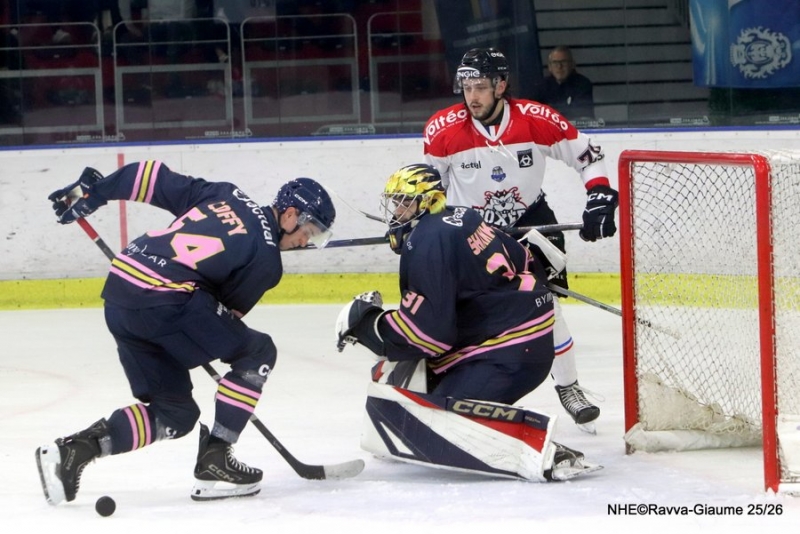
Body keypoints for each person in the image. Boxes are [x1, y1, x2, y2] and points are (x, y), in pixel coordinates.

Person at [36, 161, 336, 504]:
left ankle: (74, 451)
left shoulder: (225, 193)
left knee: (176, 414)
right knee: (257, 352)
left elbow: (150, 177)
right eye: (308, 232)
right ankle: (218, 454)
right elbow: (222, 322)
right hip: (167, 302)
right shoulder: (267, 264)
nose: (304, 242)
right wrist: (234, 393)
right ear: (289, 215)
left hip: (120, 293)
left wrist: (95, 193)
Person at [335, 163, 596, 481]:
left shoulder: (426, 242)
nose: (396, 211)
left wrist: (371, 327)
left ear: (428, 202)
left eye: (405, 202)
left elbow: (429, 337)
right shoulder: (463, 215)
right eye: (395, 202)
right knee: (413, 394)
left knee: (427, 430)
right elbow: (526, 258)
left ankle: (545, 453)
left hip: (508, 352)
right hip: (518, 339)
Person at [422, 47, 619, 431]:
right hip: (472, 230)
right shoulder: (442, 130)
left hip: (530, 225)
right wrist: (419, 227)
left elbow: (588, 154)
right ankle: (442, 384)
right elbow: (432, 190)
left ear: (501, 84)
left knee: (546, 306)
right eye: (466, 87)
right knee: (456, 311)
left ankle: (569, 387)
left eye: (480, 87)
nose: (472, 97)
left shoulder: (535, 119)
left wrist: (598, 193)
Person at [532, 46, 594, 120]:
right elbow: (533, 114)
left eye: (563, 62)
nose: (559, 66)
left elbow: (582, 114)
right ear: (550, 67)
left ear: (572, 64)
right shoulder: (541, 86)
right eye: (555, 63)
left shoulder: (582, 84)